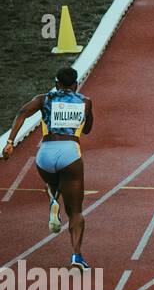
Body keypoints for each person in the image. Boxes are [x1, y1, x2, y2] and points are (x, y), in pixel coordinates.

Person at [1, 66, 94, 269]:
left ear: (56, 84)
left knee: (52, 183)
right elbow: (87, 129)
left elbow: (22, 113)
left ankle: (53, 200)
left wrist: (10, 142)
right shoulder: (85, 102)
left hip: (45, 153)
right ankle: (77, 257)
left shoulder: (44, 99)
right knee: (76, 211)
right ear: (75, 84)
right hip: (70, 151)